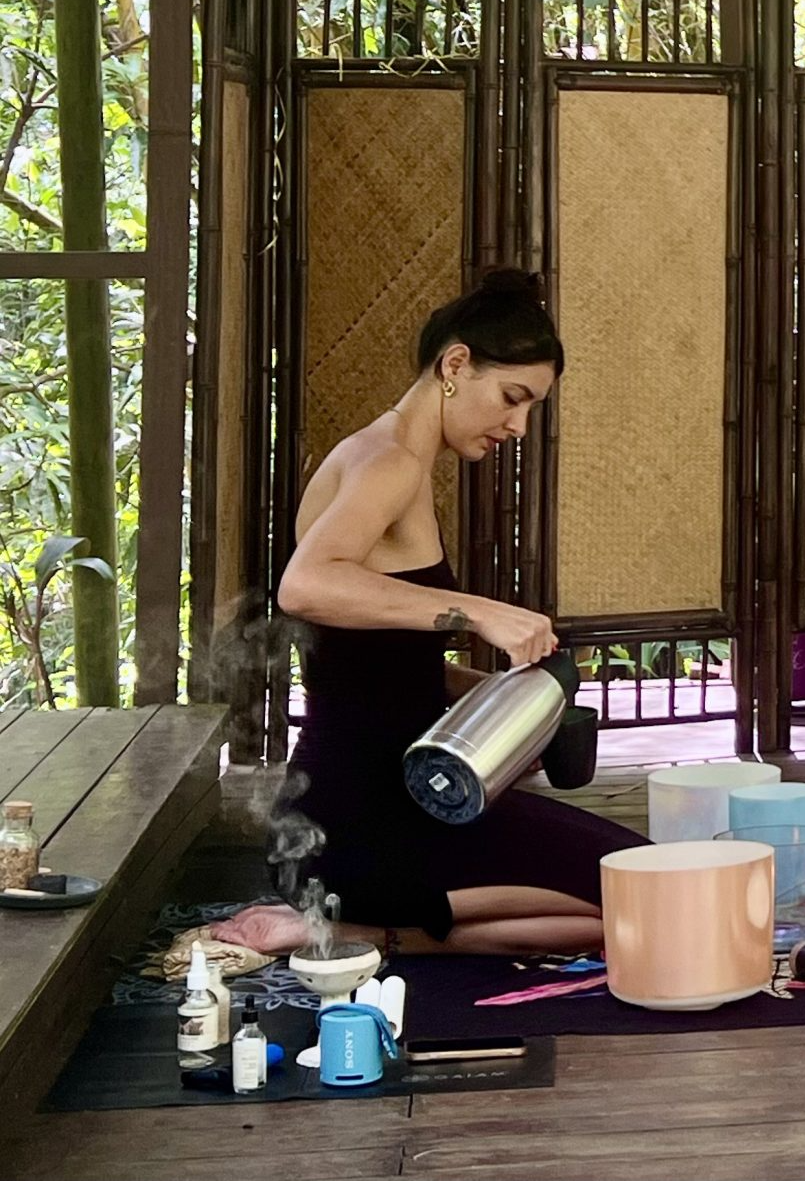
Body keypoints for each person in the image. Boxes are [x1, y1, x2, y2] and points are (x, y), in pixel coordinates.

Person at [212, 270, 646, 957]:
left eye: (531, 407)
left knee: (638, 905)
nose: (519, 425)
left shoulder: (391, 462)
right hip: (359, 825)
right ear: (455, 364)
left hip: (365, 815)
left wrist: (515, 713)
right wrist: (479, 613)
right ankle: (351, 923)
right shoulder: (387, 463)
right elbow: (305, 588)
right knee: (650, 894)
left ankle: (370, 935)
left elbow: (377, 667)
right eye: (512, 398)